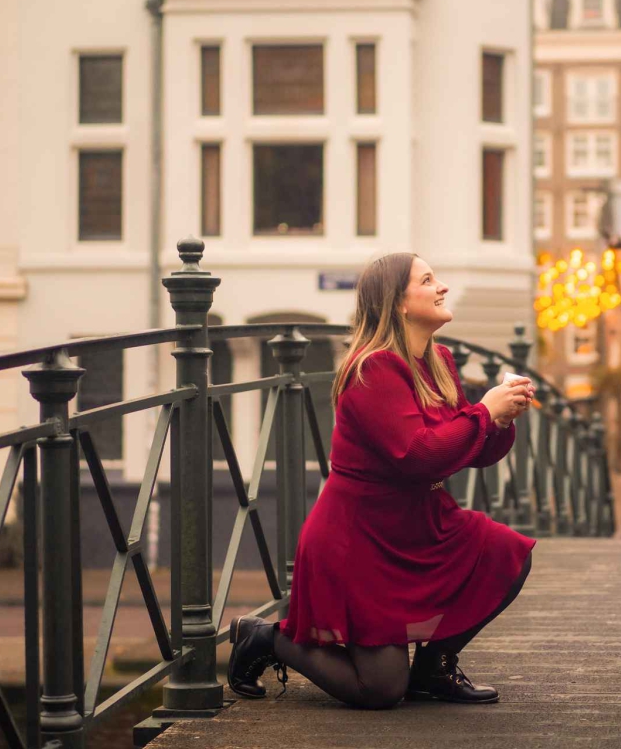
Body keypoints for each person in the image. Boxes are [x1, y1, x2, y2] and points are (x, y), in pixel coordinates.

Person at [225, 253, 537, 710]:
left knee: (505, 552)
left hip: (421, 523)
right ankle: (269, 639)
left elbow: (468, 450)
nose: (442, 287)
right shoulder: (372, 369)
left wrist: (502, 420)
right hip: (360, 539)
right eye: (428, 280)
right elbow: (417, 455)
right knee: (382, 689)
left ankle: (434, 670)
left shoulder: (439, 360)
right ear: (399, 303)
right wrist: (484, 412)